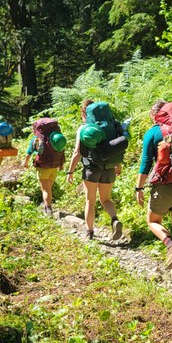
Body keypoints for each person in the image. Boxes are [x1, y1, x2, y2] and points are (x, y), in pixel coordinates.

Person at [133, 99, 172, 280]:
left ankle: (170, 245)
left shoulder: (153, 132)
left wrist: (139, 187)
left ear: (155, 115)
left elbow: (145, 164)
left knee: (152, 221)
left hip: (165, 185)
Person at [66, 99, 123, 241]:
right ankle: (114, 219)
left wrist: (70, 171)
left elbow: (77, 152)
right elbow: (117, 148)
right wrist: (118, 165)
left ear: (85, 114)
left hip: (91, 169)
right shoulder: (112, 126)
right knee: (106, 199)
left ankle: (90, 232)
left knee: (90, 201)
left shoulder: (85, 129)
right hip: (109, 168)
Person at [24, 119, 67, 216]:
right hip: (54, 167)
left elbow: (28, 154)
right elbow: (61, 150)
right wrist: (61, 164)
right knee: (48, 188)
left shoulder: (36, 140)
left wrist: (25, 163)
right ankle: (47, 205)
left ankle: (48, 209)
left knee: (45, 190)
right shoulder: (56, 138)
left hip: (43, 167)